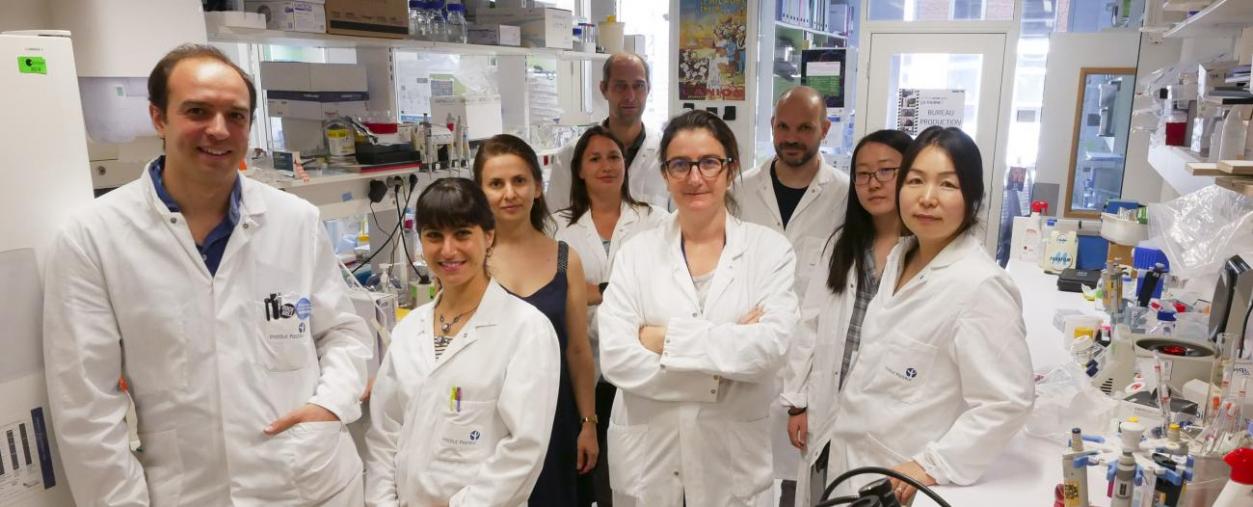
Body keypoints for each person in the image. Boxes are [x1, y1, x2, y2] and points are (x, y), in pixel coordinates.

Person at [43, 44, 373, 505]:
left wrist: (329, 405)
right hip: (190, 490)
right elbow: (86, 406)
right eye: (197, 111)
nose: (218, 130)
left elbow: (343, 333)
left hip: (312, 483)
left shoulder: (295, 219)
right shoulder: (93, 237)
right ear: (158, 118)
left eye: (235, 116)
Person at [598, 110, 799, 507]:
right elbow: (617, 358)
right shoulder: (636, 253)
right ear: (665, 173)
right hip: (651, 461)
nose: (695, 178)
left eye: (709, 162)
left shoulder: (769, 251)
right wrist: (725, 365)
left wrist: (663, 339)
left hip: (731, 460)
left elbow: (770, 349)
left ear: (730, 169)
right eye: (680, 164)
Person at [825, 126, 1034, 503]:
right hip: (854, 460)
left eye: (947, 184)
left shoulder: (980, 285)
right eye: (916, 181)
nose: (927, 198)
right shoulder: (900, 257)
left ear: (972, 197)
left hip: (901, 481)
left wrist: (930, 465)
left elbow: (1007, 402)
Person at [365, 178, 560, 506]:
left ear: (489, 236)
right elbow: (384, 433)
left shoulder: (527, 329)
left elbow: (522, 450)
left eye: (462, 234)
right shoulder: (409, 330)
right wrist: (383, 502)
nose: (448, 250)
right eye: (434, 236)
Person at [730, 85, 850, 506]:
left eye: (805, 128)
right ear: (771, 126)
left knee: (800, 484)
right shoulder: (740, 191)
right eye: (783, 127)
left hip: (811, 363)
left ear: (825, 130)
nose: (792, 137)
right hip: (747, 353)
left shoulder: (845, 196)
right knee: (744, 477)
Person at [780, 129, 913, 507]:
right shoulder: (842, 245)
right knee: (826, 489)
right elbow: (810, 324)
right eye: (863, 174)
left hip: (887, 419)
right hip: (828, 405)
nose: (873, 183)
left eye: (886, 171)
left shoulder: (922, 254)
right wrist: (797, 403)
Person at [473, 134, 598, 505]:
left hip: (554, 418)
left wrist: (588, 423)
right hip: (486, 420)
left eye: (519, 181)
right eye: (496, 184)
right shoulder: (468, 260)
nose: (509, 193)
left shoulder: (565, 259)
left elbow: (578, 351)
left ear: (538, 187)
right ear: (480, 192)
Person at [551, 126, 670, 506]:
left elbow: (660, 290)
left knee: (637, 477)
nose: (606, 166)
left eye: (614, 157)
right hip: (580, 370)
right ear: (579, 170)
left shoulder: (656, 221)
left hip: (640, 367)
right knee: (584, 473)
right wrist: (613, 290)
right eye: (595, 158)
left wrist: (589, 291)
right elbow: (555, 290)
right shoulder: (556, 227)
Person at [548, 53, 667, 211]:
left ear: (648, 89)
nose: (630, 96)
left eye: (638, 86)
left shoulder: (667, 154)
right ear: (604, 89)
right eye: (620, 86)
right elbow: (555, 219)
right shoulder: (570, 154)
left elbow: (680, 218)